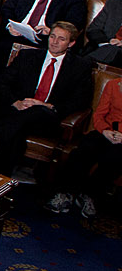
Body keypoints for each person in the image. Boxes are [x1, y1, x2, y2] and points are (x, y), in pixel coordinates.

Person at [49, 73, 122, 218]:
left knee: (114, 159)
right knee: (83, 151)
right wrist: (105, 130)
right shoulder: (113, 84)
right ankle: (65, 192)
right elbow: (99, 114)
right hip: (105, 131)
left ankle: (89, 195)